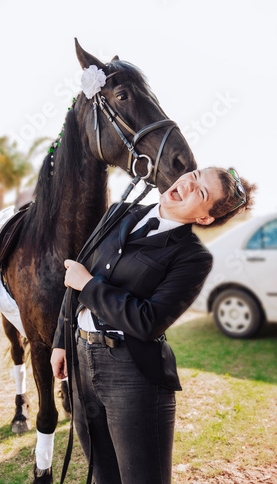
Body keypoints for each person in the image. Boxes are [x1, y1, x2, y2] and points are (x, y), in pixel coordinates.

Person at [51, 167, 256, 484]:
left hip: (132, 376)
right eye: (196, 174)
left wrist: (89, 286)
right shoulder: (120, 212)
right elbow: (76, 275)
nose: (188, 183)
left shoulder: (192, 257)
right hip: (80, 359)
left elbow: (147, 321)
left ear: (204, 218)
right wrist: (61, 341)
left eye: (200, 192)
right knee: (100, 475)